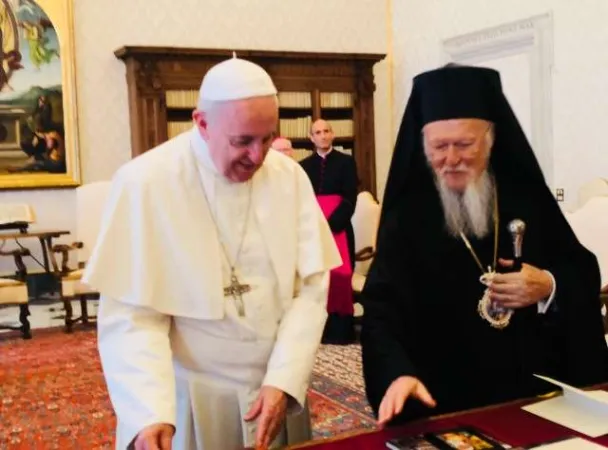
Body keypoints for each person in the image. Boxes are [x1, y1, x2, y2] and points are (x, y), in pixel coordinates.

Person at [83, 56, 341, 450]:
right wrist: (149, 411)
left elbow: (309, 288)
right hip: (192, 399)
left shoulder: (288, 178)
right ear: (201, 123)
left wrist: (285, 377)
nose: (258, 157)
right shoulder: (146, 183)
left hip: (276, 388)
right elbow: (132, 316)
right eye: (242, 141)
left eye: (267, 138)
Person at [361, 64, 608, 426]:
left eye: (464, 144)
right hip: (441, 394)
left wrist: (548, 286)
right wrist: (395, 373)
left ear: (491, 139)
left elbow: (581, 270)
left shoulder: (526, 197)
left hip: (532, 391)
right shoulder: (408, 214)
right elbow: (382, 310)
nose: (451, 159)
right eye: (438, 147)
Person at [300, 119, 359, 344]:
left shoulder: (346, 162)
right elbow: (304, 201)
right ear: (311, 137)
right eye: (318, 132)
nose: (323, 136)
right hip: (313, 228)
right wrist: (315, 224)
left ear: (332, 135)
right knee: (316, 277)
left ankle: (340, 332)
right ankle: (318, 332)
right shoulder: (303, 166)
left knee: (341, 275)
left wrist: (332, 223)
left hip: (339, 226)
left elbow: (350, 198)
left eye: (326, 131)